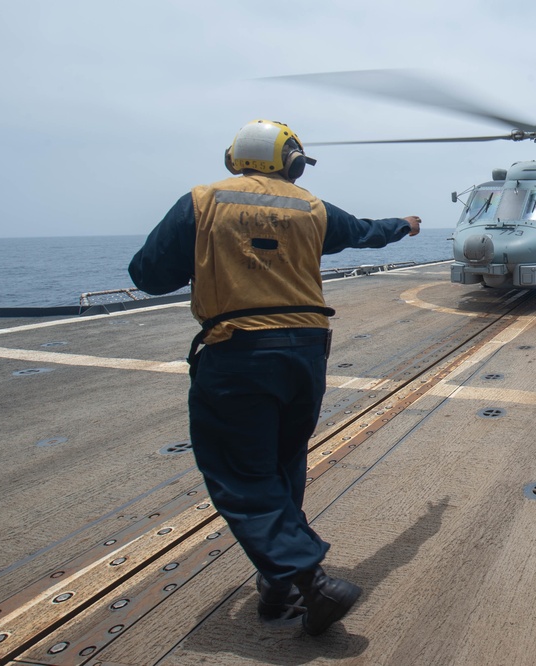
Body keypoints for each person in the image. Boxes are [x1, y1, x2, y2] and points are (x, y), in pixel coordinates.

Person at [128, 119, 421, 636]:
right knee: (282, 467)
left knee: (240, 473)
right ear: (291, 162)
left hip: (238, 350)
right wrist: (406, 224)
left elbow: (148, 276)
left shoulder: (201, 201)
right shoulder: (312, 207)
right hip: (305, 353)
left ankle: (312, 580)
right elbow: (367, 233)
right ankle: (278, 583)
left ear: (233, 159)